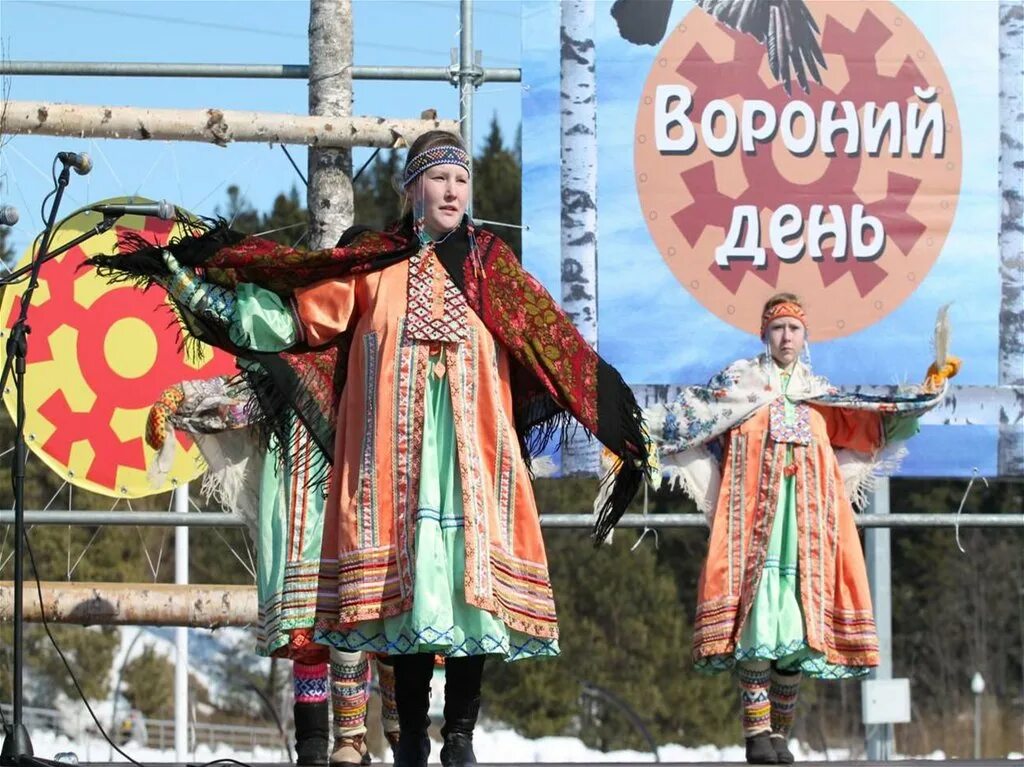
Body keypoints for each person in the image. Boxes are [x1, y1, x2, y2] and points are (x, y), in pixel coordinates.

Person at [90, 130, 649, 767]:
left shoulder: (494, 269)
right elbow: (296, 320)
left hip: (475, 465)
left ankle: (460, 738)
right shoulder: (374, 267)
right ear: (410, 189)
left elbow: (554, 348)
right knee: (404, 600)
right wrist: (203, 295)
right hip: (394, 471)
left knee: (473, 597)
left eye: (461, 180)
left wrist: (617, 419)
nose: (452, 190)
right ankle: (410, 738)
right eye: (439, 178)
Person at [647, 293, 959, 765]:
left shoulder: (819, 395)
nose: (786, 336)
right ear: (763, 335)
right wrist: (627, 429)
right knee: (758, 627)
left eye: (794, 328)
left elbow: (874, 424)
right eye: (778, 329)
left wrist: (925, 392)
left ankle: (779, 735)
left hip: (807, 537)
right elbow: (681, 423)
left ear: (805, 335)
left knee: (797, 631)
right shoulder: (738, 385)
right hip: (754, 533)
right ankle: (756, 735)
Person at [146, 376, 401, 765]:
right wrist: (190, 397)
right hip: (302, 494)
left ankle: (392, 739)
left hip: (368, 473)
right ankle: (317, 748)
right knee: (309, 625)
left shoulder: (368, 354)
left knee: (380, 619)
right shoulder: (288, 363)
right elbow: (249, 394)